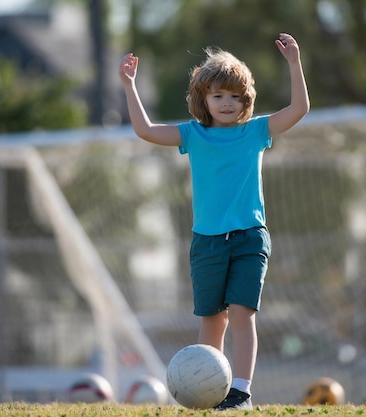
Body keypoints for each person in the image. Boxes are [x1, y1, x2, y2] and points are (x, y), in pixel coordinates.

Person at [119, 33, 310, 410]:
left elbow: (299, 109)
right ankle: (209, 390)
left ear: (246, 100)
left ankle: (240, 394)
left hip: (249, 239)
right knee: (212, 321)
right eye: (218, 95)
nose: (227, 103)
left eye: (235, 96)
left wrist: (293, 63)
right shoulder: (193, 135)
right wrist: (129, 85)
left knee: (241, 315)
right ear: (202, 99)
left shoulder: (255, 130)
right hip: (206, 242)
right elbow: (144, 130)